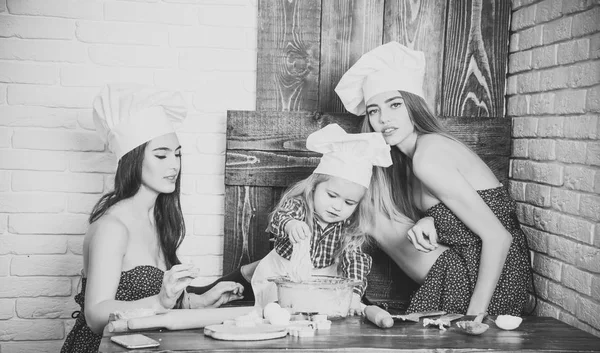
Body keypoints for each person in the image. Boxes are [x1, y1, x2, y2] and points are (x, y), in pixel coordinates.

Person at [334, 42, 534, 316]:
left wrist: (474, 317)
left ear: (414, 107)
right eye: (374, 110)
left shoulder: (428, 157)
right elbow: (457, 211)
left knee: (367, 214)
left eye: (395, 105)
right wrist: (430, 220)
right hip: (467, 260)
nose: (383, 119)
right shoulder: (408, 160)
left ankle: (316, 284)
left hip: (497, 279)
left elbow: (499, 236)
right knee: (366, 202)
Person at [62, 84, 245, 353]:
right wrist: (160, 302)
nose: (174, 165)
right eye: (161, 155)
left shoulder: (158, 221)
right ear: (132, 159)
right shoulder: (112, 228)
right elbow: (95, 315)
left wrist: (200, 301)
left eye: (178, 154)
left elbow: (154, 303)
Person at [251, 123, 393, 315]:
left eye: (349, 202)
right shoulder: (300, 206)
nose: (338, 206)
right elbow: (280, 217)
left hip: (323, 278)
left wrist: (354, 295)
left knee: (325, 310)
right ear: (314, 187)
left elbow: (355, 263)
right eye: (332, 195)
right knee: (279, 309)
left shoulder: (349, 227)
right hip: (282, 273)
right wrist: (291, 225)